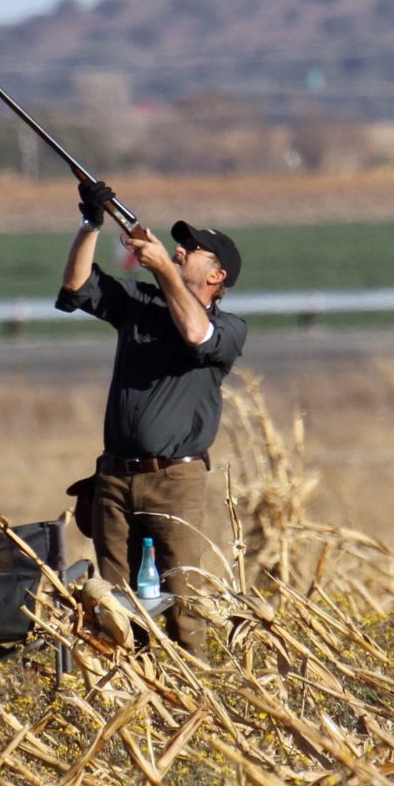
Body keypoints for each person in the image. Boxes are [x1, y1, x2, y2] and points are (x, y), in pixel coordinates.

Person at [57, 180, 247, 658]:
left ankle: (199, 697)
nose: (182, 250)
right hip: (115, 476)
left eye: (194, 250)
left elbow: (195, 332)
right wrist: (90, 224)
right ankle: (128, 691)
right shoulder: (142, 304)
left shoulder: (228, 328)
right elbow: (76, 287)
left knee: (184, 601)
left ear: (217, 274)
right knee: (112, 607)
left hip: (175, 480)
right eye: (180, 246)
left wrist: (162, 264)